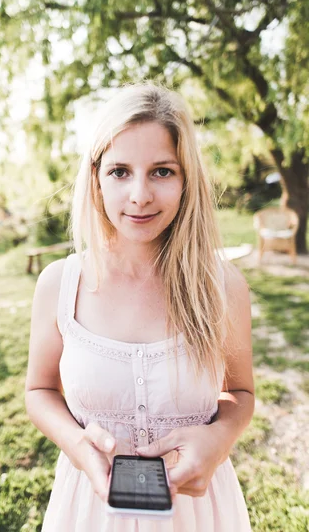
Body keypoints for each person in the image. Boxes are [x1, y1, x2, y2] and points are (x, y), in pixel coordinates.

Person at [25, 81, 254, 531]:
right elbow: (39, 392)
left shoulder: (222, 286)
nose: (140, 195)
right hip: (88, 509)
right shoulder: (60, 284)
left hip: (199, 511)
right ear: (96, 178)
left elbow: (240, 394)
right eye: (120, 171)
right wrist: (77, 445)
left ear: (187, 178)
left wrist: (219, 437)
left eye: (162, 171)